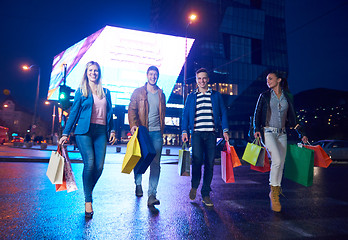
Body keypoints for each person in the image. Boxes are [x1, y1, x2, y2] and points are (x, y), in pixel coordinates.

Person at [59, 61, 116, 218]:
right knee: (90, 164)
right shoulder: (81, 91)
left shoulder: (106, 91)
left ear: (99, 73)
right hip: (84, 132)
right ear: (86, 73)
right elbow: (74, 114)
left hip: (101, 132)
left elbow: (111, 112)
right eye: (90, 70)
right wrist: (65, 133)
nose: (93, 73)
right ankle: (88, 201)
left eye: (96, 70)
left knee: (99, 167)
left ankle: (87, 191)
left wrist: (112, 130)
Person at [253, 71, 308, 212]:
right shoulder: (264, 96)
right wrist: (256, 128)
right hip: (268, 132)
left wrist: (301, 133)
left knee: (281, 163)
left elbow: (293, 118)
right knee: (276, 160)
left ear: (278, 80)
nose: (268, 81)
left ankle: (275, 191)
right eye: (267, 80)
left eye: (270, 79)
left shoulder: (287, 97)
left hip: (282, 134)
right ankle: (274, 193)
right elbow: (257, 114)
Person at [182, 68, 229, 207]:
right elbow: (185, 115)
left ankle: (206, 193)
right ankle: (194, 185)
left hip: (211, 134)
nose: (202, 81)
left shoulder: (216, 95)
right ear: (196, 80)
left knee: (209, 163)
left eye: (204, 78)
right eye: (199, 79)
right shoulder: (191, 96)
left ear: (208, 79)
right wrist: (184, 131)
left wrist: (225, 130)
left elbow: (223, 113)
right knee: (196, 161)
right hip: (196, 133)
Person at [128, 66, 166, 207]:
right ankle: (138, 184)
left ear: (157, 76)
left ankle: (152, 195)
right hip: (142, 132)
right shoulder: (138, 92)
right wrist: (133, 124)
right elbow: (131, 109)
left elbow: (163, 114)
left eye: (155, 74)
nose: (153, 77)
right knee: (140, 159)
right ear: (147, 75)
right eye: (151, 74)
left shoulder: (161, 94)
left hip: (157, 133)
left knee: (155, 164)